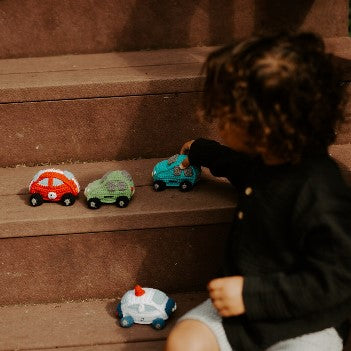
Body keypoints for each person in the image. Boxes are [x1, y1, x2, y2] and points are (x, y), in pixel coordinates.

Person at [164, 32, 351, 351]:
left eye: (226, 111)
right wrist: (202, 151)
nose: (216, 116)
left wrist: (250, 296)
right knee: (185, 341)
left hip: (306, 323)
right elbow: (239, 166)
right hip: (239, 318)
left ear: (266, 123)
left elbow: (337, 280)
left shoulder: (320, 190)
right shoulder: (267, 162)